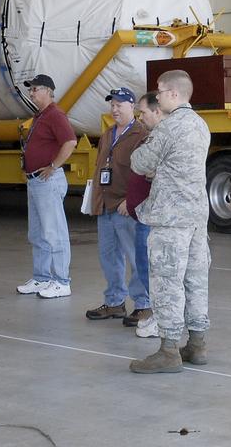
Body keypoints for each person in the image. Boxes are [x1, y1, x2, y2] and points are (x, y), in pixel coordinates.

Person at [129, 70, 211, 375]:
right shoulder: (200, 125)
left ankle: (168, 350)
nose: (158, 96)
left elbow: (140, 163)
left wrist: (147, 153)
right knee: (195, 281)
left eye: (160, 92)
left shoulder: (170, 126)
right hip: (196, 218)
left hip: (170, 218)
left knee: (167, 283)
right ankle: (198, 344)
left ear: (173, 94)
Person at [85, 87, 149, 323]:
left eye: (119, 105)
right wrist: (96, 200)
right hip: (106, 205)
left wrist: (130, 200)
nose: (114, 109)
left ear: (131, 106)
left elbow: (141, 172)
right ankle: (114, 302)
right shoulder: (107, 134)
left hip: (125, 206)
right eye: (112, 104)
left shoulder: (141, 134)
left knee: (136, 257)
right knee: (109, 256)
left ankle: (143, 304)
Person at [16, 74, 77, 300]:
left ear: (48, 91)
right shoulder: (41, 115)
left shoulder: (55, 115)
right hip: (36, 181)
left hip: (46, 181)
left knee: (54, 232)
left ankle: (62, 281)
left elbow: (70, 141)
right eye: (30, 90)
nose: (31, 93)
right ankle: (42, 277)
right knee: (38, 232)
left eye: (35, 89)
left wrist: (53, 166)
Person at [125, 92, 163, 338]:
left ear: (157, 112)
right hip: (142, 216)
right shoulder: (151, 137)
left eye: (144, 113)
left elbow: (143, 166)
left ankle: (161, 320)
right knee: (144, 267)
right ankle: (156, 316)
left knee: (154, 270)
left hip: (153, 218)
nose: (141, 118)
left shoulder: (162, 139)